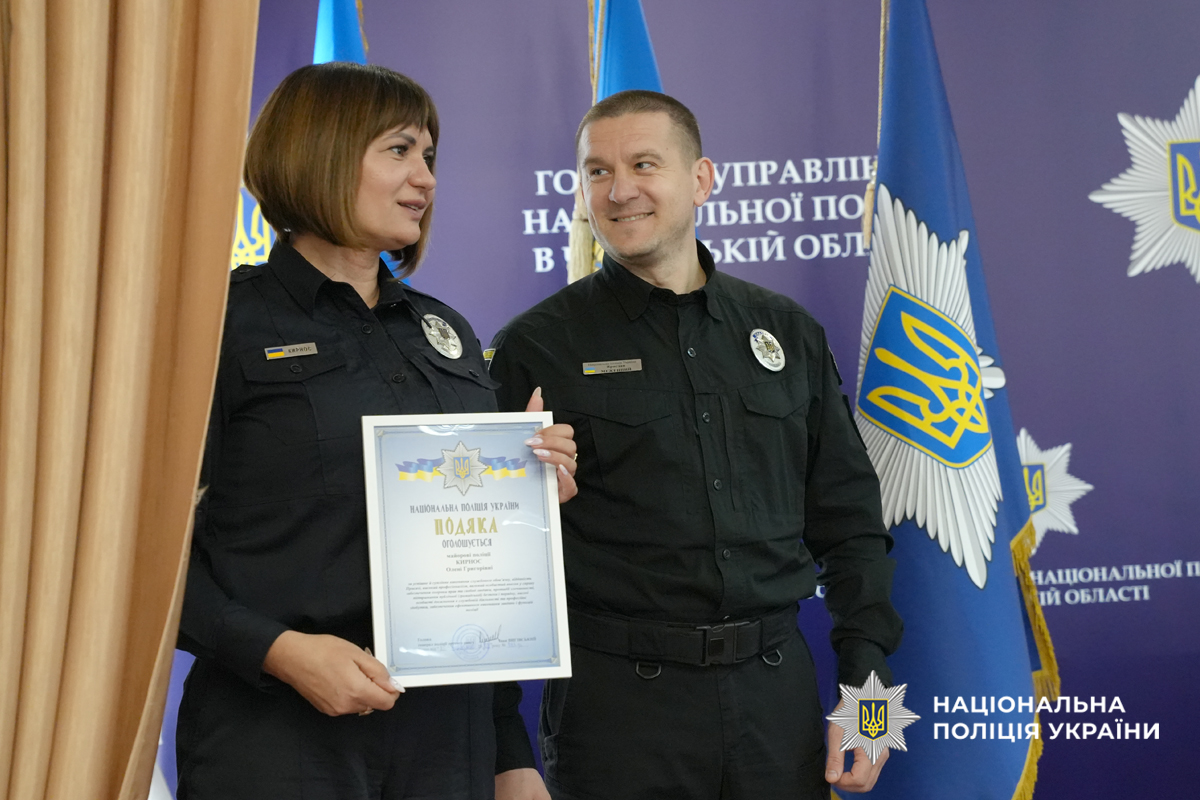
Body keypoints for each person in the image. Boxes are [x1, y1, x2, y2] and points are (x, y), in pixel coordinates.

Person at [487, 90, 903, 800]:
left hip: (777, 705)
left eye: (644, 164)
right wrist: (503, 750)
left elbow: (852, 526)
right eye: (596, 172)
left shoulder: (787, 332)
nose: (619, 191)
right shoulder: (537, 347)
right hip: (620, 716)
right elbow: (488, 560)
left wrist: (871, 705)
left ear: (702, 179)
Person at [176, 63, 570, 800]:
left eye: (430, 156)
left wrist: (530, 494)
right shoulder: (217, 327)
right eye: (399, 150)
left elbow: (475, 576)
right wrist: (278, 652)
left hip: (448, 740)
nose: (425, 178)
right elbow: (138, 558)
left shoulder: (443, 330)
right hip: (276, 735)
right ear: (320, 152)